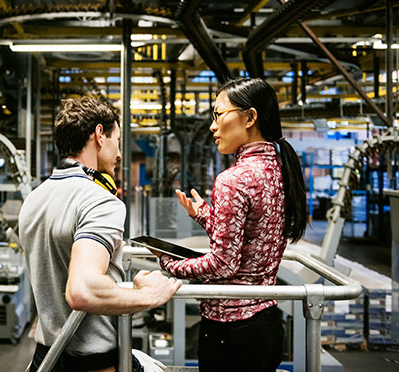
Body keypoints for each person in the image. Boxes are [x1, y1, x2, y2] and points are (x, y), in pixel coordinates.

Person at [19, 96, 182, 372]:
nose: (119, 154)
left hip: (47, 358)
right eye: (117, 141)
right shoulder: (101, 201)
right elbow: (82, 290)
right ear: (99, 135)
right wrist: (150, 296)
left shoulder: (34, 199)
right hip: (95, 363)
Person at [157, 78, 307, 372]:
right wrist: (205, 216)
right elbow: (250, 241)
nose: (212, 126)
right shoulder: (279, 170)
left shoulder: (233, 179)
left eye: (218, 115)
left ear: (250, 117)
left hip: (230, 334)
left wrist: (170, 265)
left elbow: (223, 264)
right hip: (264, 325)